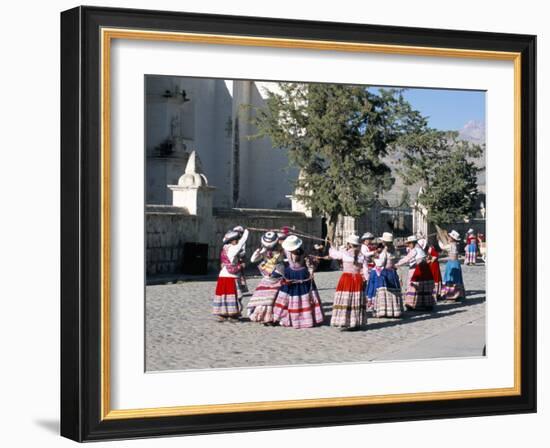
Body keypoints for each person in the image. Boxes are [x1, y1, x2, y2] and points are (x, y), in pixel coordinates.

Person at [272, 235, 325, 328]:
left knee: (303, 296)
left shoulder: (303, 253)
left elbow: (309, 263)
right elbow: (277, 249)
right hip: (289, 273)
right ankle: (283, 316)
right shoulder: (285, 251)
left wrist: (311, 271)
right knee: (286, 295)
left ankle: (304, 318)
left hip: (302, 274)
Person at [328, 235, 367, 330]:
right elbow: (365, 269)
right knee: (355, 299)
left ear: (349, 244)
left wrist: (331, 245)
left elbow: (333, 254)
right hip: (357, 278)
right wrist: (366, 279)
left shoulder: (345, 253)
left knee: (346, 299)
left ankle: (344, 320)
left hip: (347, 278)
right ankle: (355, 321)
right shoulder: (362, 255)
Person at [246, 231, 285, 325]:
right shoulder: (265, 251)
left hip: (277, 276)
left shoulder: (281, 250)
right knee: (267, 298)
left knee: (273, 298)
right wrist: (258, 252)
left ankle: (272, 317)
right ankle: (266, 317)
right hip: (268, 277)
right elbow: (253, 259)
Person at [212, 228, 249, 322]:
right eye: (235, 239)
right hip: (231, 276)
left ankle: (223, 314)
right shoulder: (233, 249)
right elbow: (242, 242)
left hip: (223, 275)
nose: (237, 241)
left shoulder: (225, 248)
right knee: (234, 295)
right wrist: (246, 232)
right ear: (231, 240)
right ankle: (232, 315)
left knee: (223, 295)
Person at [367, 232, 403, 318]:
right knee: (393, 291)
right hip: (393, 273)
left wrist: (374, 259)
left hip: (385, 273)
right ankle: (394, 310)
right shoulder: (394, 250)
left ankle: (385, 310)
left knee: (384, 291)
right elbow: (396, 260)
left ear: (384, 242)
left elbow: (380, 264)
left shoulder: (385, 251)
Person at [395, 235, 435, 311]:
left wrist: (397, 264)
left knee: (413, 284)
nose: (408, 245)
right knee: (424, 286)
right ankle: (426, 303)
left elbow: (407, 258)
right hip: (425, 269)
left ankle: (411, 304)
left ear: (412, 243)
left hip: (419, 269)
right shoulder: (420, 249)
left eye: (409, 243)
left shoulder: (415, 250)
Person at [440, 230, 466, 301]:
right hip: (456, 263)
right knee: (457, 279)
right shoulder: (456, 244)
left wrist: (439, 239)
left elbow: (442, 247)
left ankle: (451, 295)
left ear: (452, 238)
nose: (449, 238)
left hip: (451, 263)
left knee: (451, 278)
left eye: (450, 237)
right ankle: (458, 295)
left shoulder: (450, 245)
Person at [232, 225, 249, 293]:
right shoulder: (233, 240)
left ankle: (240, 288)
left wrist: (243, 260)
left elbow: (243, 252)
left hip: (239, 260)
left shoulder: (241, 241)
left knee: (239, 275)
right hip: (233, 260)